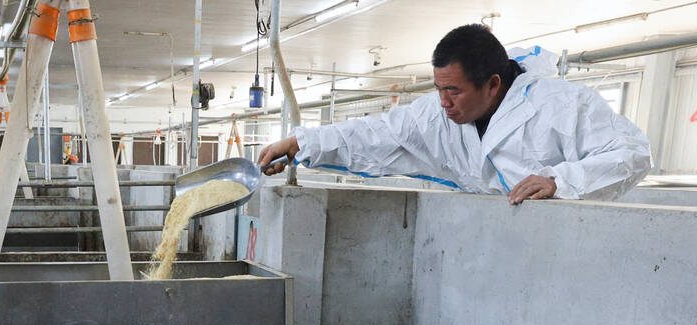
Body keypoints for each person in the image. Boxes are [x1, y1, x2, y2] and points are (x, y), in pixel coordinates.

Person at [258, 24, 652, 204]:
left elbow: (633, 153)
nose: (444, 101)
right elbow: (379, 134)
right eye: (438, 88)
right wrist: (302, 143)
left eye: (454, 91)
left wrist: (560, 180)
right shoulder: (437, 114)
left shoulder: (562, 106)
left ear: (493, 84)